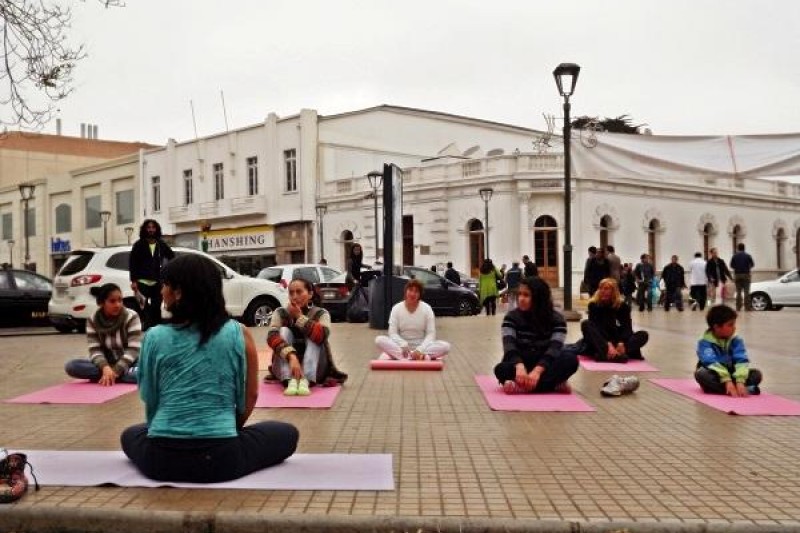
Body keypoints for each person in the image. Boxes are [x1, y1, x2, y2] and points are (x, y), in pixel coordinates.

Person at [120, 254, 299, 483]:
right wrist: (225, 430)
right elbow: (250, 396)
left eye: (165, 284)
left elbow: (150, 398)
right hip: (220, 460)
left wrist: (165, 432)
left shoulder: (153, 337)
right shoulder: (239, 333)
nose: (162, 291)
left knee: (130, 434)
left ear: (179, 292)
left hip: (160, 460)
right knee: (287, 433)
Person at [493, 277, 579, 394]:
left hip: (545, 365)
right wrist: (519, 366)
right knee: (501, 369)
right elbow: (509, 345)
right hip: (521, 363)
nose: (521, 299)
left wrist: (537, 371)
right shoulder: (511, 317)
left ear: (539, 298)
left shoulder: (557, 319)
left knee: (571, 359)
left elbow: (554, 348)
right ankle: (552, 385)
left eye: (526, 295)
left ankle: (523, 386)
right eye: (520, 295)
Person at [267, 278, 348, 396]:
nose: (294, 297)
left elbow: (322, 336)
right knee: (283, 331)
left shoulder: (321, 313)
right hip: (286, 366)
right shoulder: (280, 313)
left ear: (310, 294)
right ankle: (289, 380)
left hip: (316, 369)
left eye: (299, 292)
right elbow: (271, 337)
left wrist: (299, 317)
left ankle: (306, 380)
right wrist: (291, 357)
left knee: (314, 335)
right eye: (291, 293)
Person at [64, 283, 142, 385]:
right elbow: (95, 350)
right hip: (105, 364)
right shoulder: (92, 320)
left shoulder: (132, 317)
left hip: (132, 363)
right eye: (112, 301)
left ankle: (111, 376)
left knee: (142, 373)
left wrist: (115, 371)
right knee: (72, 366)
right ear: (101, 303)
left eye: (120, 300)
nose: (118, 304)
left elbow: (133, 350)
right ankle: (114, 376)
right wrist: (105, 368)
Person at [694, 304, 762, 396]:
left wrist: (740, 380)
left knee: (756, 374)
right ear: (717, 327)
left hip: (733, 375)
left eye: (734, 324)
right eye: (730, 325)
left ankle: (730, 388)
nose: (734, 328)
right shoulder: (704, 343)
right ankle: (737, 390)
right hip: (716, 375)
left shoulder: (736, 341)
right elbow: (710, 362)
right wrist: (727, 380)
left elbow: (741, 360)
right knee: (701, 374)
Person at [375, 279, 450, 360]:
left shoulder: (427, 308)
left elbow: (431, 334)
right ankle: (415, 357)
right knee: (379, 340)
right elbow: (392, 333)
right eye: (410, 290)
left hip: (421, 346)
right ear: (406, 291)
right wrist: (402, 344)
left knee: (446, 346)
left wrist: (420, 349)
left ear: (420, 294)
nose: (413, 294)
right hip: (402, 347)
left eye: (416, 291)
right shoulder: (396, 308)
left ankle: (406, 357)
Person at [578, 278, 649, 362]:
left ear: (613, 291)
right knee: (586, 324)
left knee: (643, 335)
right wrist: (608, 344)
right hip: (601, 340)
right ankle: (614, 354)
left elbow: (627, 327)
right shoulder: (594, 305)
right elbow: (596, 326)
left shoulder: (623, 306)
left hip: (618, 339)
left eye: (606, 289)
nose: (602, 291)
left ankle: (611, 354)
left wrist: (621, 342)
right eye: (601, 288)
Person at [129, 219, 175, 330]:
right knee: (142, 306)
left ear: (156, 229)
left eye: (153, 227)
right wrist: (134, 281)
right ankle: (148, 325)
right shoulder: (138, 245)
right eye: (148, 227)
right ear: (145, 229)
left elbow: (172, 257)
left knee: (156, 306)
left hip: (157, 281)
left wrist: (167, 273)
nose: (151, 230)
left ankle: (156, 326)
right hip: (142, 282)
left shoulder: (161, 244)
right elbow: (132, 263)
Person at [730, 243, 755, 311]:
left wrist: (737, 267)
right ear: (744, 248)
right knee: (746, 291)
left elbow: (731, 265)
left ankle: (738, 307)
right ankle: (747, 307)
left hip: (737, 275)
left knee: (738, 292)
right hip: (746, 275)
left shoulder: (734, 256)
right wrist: (747, 267)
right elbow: (752, 264)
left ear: (738, 248)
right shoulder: (748, 256)